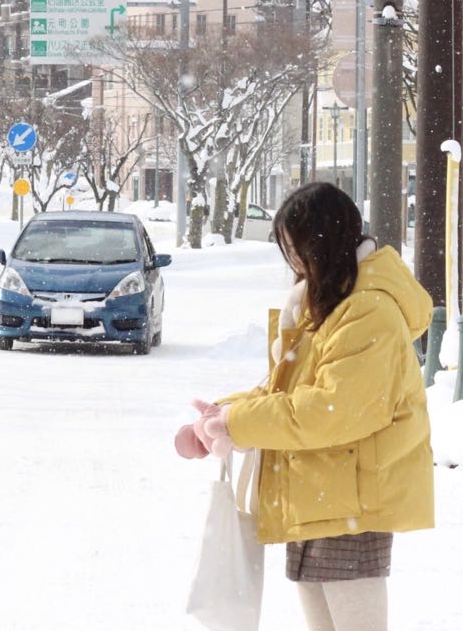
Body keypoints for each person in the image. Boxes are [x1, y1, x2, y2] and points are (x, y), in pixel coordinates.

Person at [174, 182, 433, 631]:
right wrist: (219, 417)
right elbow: (288, 390)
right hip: (321, 490)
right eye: (287, 251)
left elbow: (331, 411)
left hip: (351, 495)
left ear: (323, 242)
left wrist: (237, 423)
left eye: (297, 249)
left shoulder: (368, 310)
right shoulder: (326, 305)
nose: (292, 262)